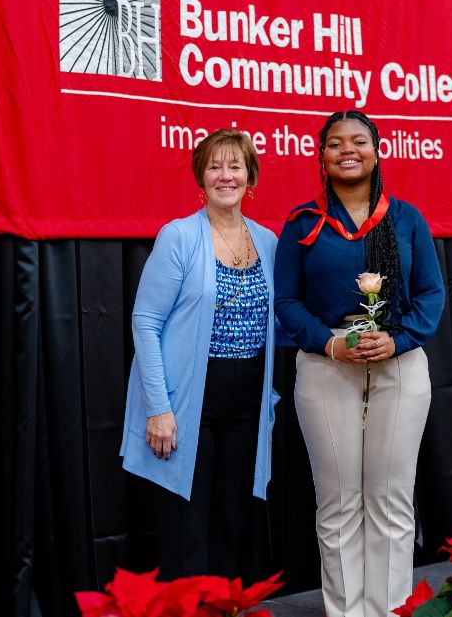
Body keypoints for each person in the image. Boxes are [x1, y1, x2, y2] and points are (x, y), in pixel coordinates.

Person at [274, 110, 446, 617]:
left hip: (399, 361)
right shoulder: (302, 222)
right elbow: (285, 301)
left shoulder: (406, 218)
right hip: (326, 363)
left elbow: (431, 293)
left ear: (376, 151)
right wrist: (330, 345)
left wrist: (398, 339)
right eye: (334, 143)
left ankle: (391, 610)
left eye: (358, 141)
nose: (346, 150)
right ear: (322, 157)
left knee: (391, 501)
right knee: (340, 502)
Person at [120, 129, 280, 579]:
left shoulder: (267, 242)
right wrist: (158, 407)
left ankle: (224, 608)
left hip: (247, 400)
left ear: (251, 178)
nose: (225, 176)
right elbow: (145, 321)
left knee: (231, 520)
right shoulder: (179, 236)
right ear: (200, 178)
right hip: (188, 399)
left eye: (235, 167)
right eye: (215, 167)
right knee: (185, 527)